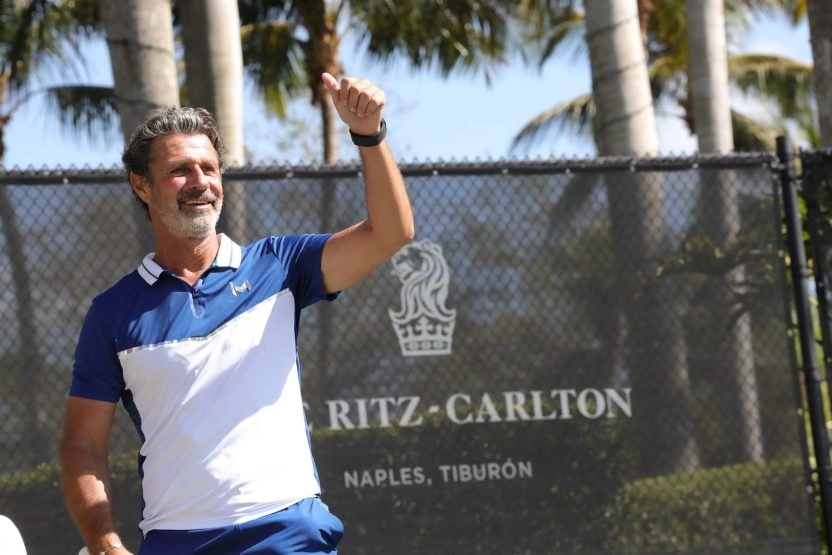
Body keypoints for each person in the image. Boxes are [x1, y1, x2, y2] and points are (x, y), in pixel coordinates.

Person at [59, 72, 414, 555]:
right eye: (180, 170)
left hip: (291, 534)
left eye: (209, 167)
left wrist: (369, 135)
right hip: (174, 543)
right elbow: (82, 444)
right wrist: (103, 543)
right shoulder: (111, 315)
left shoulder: (282, 266)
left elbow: (390, 233)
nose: (200, 182)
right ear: (141, 185)